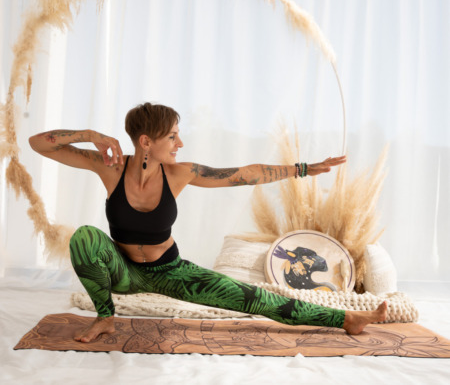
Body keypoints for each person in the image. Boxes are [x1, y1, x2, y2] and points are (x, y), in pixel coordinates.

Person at [29, 102, 387, 343]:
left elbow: (244, 174)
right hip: (122, 272)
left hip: (170, 272)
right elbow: (39, 143)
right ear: (146, 141)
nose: (180, 143)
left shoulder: (179, 173)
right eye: (172, 136)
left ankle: (345, 319)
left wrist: (303, 169)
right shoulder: (110, 168)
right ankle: (105, 317)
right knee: (85, 237)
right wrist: (91, 135)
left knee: (255, 299)